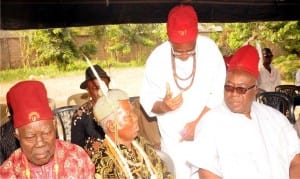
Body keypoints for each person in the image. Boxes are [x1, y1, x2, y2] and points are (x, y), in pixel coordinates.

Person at [188, 45, 300, 179]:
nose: (233, 94)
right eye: (229, 87)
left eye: (241, 89)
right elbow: (207, 173)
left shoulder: (275, 118)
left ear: (255, 90)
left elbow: (296, 160)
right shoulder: (210, 122)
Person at [139, 4, 226, 178]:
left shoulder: (210, 50)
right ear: (168, 38)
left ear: (197, 35)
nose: (185, 55)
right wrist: (163, 106)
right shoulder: (156, 58)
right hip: (173, 143)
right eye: (179, 51)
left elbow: (218, 95)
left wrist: (197, 125)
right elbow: (147, 101)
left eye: (190, 50)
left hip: (207, 135)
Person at [0, 80, 95, 178]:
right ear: (17, 136)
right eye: (30, 137)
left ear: (55, 126)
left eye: (46, 133)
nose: (40, 143)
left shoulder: (77, 158)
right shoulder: (8, 172)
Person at [84, 89, 173, 179]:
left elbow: (165, 174)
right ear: (111, 126)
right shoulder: (102, 163)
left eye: (133, 112)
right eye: (128, 116)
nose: (135, 117)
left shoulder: (141, 144)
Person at [71, 64, 110, 147]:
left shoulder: (118, 108)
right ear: (88, 89)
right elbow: (76, 149)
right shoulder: (80, 115)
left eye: (104, 87)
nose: (101, 92)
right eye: (96, 88)